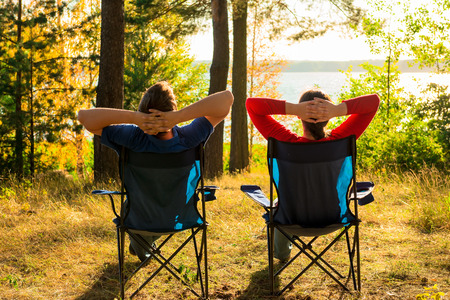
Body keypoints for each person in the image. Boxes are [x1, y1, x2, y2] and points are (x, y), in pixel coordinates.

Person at [78, 81, 234, 261]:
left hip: (138, 220)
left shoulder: (132, 138)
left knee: (130, 206)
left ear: (142, 111)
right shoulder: (190, 137)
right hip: (180, 216)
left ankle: (142, 245)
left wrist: (135, 118)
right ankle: (144, 245)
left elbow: (84, 117)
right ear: (172, 110)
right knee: (158, 208)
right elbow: (226, 99)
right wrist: (180, 117)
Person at [246, 88, 380, 261]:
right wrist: (337, 110)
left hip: (290, 219)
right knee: (282, 203)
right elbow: (373, 102)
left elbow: (252, 105)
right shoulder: (340, 140)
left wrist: (295, 109)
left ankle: (282, 254)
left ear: (301, 118)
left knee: (279, 204)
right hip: (333, 217)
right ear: (327, 118)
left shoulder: (285, 141)